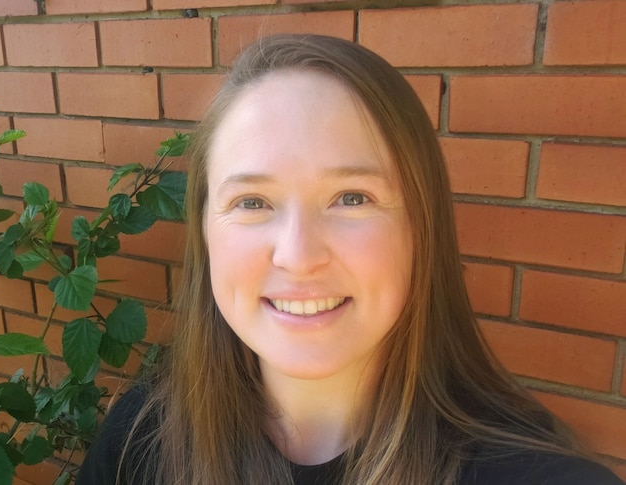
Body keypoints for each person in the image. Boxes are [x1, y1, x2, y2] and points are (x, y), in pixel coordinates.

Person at [76, 34, 625, 484]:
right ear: (204, 233)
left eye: (352, 198)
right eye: (252, 202)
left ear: (421, 228)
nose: (298, 256)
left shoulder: (541, 477)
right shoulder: (140, 442)